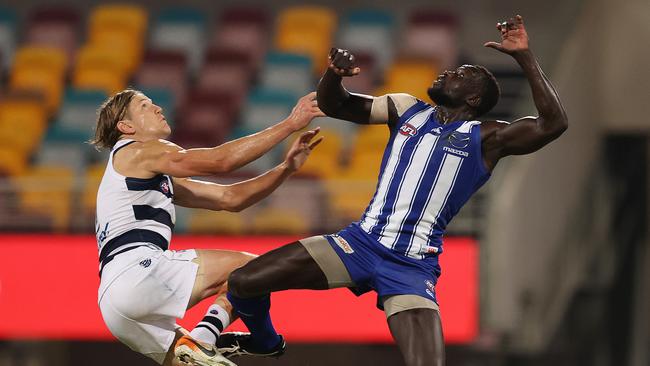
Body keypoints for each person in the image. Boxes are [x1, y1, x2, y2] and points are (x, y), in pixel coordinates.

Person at [224, 15, 568, 366]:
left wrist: (524, 56)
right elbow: (335, 105)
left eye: (460, 75)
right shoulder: (406, 109)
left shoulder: (486, 138)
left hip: (410, 265)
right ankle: (266, 342)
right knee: (243, 282)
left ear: (474, 97)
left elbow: (553, 124)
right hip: (357, 243)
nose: (448, 72)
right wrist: (334, 75)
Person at [92, 89, 324, 366]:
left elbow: (230, 198)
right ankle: (259, 341)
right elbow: (219, 161)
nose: (158, 108)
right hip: (138, 271)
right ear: (126, 127)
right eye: (145, 106)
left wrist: (285, 168)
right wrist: (290, 124)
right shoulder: (138, 150)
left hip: (115, 305)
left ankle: (206, 338)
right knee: (253, 272)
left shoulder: (142, 170)